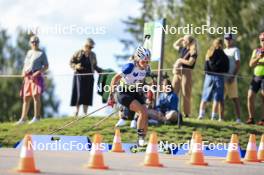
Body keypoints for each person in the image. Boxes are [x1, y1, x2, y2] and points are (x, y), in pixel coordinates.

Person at [109, 46, 151, 146]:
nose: (145, 64)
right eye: (143, 61)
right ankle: (140, 140)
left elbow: (140, 80)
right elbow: (114, 79)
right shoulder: (130, 66)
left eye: (147, 62)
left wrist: (144, 88)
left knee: (145, 113)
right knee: (141, 112)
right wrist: (111, 95)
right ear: (138, 59)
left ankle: (142, 140)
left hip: (135, 92)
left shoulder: (146, 68)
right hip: (123, 93)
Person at [15, 35, 49, 125]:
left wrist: (38, 72)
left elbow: (46, 66)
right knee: (26, 97)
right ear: (30, 43)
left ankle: (37, 117)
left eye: (36, 42)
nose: (34, 43)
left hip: (36, 77)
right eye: (33, 42)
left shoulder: (42, 53)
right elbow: (25, 64)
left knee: (36, 96)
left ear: (38, 43)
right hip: (27, 77)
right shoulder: (29, 52)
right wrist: (23, 72)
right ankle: (23, 118)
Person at [198, 38, 229, 121]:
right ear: (222, 44)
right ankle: (213, 117)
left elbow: (206, 65)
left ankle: (201, 115)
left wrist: (207, 72)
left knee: (205, 96)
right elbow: (226, 68)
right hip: (219, 76)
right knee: (217, 98)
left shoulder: (209, 53)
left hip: (209, 76)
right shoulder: (224, 56)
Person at [70, 38, 102, 116]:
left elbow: (94, 66)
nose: (90, 49)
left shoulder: (93, 55)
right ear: (86, 46)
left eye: (92, 47)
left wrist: (100, 70)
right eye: (89, 47)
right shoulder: (78, 52)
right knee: (79, 94)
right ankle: (76, 111)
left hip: (89, 77)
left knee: (88, 94)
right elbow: (71, 62)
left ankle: (85, 112)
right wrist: (76, 66)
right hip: (79, 76)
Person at [172, 35, 198, 118]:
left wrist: (180, 60)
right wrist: (181, 38)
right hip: (178, 72)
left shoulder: (193, 51)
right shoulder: (183, 49)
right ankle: (172, 110)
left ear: (188, 42)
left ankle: (186, 114)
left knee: (185, 93)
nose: (183, 41)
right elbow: (175, 45)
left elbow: (190, 63)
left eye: (184, 40)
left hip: (186, 72)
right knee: (173, 91)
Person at [223, 34, 241, 123]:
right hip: (223, 78)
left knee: (235, 98)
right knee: (220, 98)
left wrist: (233, 77)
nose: (228, 41)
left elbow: (238, 65)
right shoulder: (223, 51)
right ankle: (220, 118)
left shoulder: (235, 50)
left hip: (231, 78)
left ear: (232, 40)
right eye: (226, 39)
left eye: (229, 39)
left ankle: (238, 119)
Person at [246, 32, 264, 125]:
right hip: (256, 77)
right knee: (250, 96)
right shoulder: (256, 51)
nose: (263, 42)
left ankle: (263, 119)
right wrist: (258, 58)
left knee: (263, 96)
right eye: (262, 40)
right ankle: (251, 118)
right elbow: (251, 64)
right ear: (260, 41)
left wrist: (260, 63)